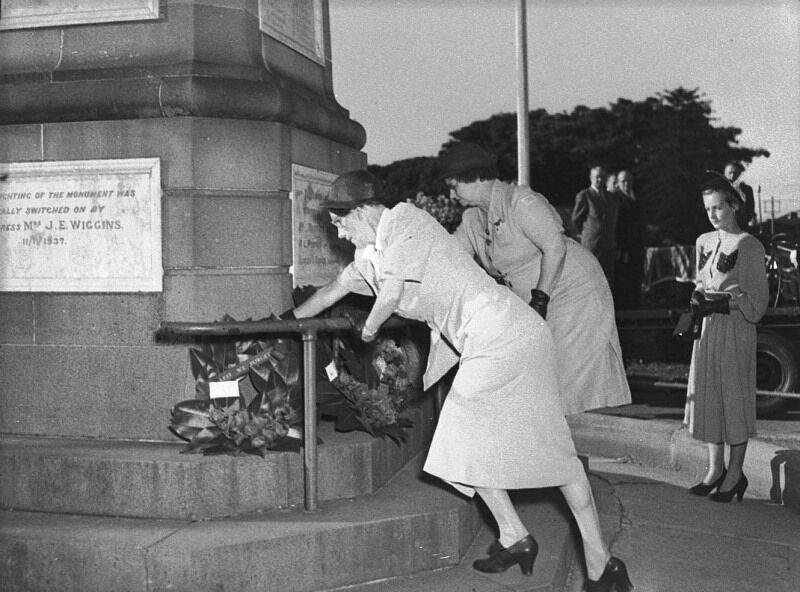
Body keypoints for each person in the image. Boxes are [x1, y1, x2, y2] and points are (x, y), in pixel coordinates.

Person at [290, 170, 632, 591]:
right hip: (495, 338)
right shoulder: (369, 258)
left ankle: (578, 555)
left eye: (341, 222)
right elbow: (329, 293)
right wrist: (286, 323)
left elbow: (392, 294)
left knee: (519, 446)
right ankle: (527, 541)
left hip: (503, 331)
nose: (339, 233)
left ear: (361, 211)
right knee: (474, 446)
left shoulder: (405, 222)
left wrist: (367, 331)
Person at [438, 143, 631, 414]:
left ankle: (564, 451)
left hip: (571, 292)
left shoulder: (520, 201)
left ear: (475, 177)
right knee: (538, 387)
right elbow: (449, 257)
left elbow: (555, 246)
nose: (451, 194)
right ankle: (557, 451)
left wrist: (540, 300)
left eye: (454, 185)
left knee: (558, 386)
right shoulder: (472, 219)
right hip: (536, 303)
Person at [684, 171, 769, 502]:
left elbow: (757, 303)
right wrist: (696, 296)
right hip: (706, 331)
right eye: (708, 209)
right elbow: (700, 282)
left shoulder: (749, 245)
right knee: (708, 398)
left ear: (734, 206)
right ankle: (714, 470)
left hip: (735, 331)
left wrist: (727, 301)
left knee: (733, 399)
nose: (713, 215)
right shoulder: (703, 241)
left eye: (718, 208)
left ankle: (735, 474)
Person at [572, 165, 619, 285]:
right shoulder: (585, 195)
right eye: (597, 177)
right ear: (591, 177)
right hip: (592, 245)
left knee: (607, 280)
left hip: (608, 245)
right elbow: (576, 219)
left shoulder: (610, 197)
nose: (600, 180)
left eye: (602, 177)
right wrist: (589, 233)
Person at [613, 170, 645, 309]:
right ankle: (625, 307)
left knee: (636, 275)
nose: (626, 184)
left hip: (636, 244)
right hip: (623, 245)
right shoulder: (615, 198)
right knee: (623, 276)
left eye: (628, 181)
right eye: (623, 181)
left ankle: (634, 304)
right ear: (618, 183)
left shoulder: (635, 198)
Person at [723, 161, 756, 229]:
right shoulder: (719, 189)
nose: (732, 176)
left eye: (735, 173)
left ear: (739, 173)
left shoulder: (747, 189)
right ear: (724, 173)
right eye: (730, 173)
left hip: (741, 225)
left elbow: (750, 210)